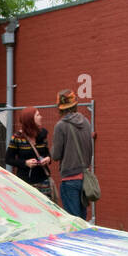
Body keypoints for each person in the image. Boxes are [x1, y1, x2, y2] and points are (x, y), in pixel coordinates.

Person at [49, 88, 93, 219]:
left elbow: (55, 155)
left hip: (69, 179)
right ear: (75, 105)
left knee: (73, 222)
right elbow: (90, 149)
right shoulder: (86, 122)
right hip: (84, 177)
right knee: (82, 220)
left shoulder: (61, 126)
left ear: (60, 108)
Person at [5, 108, 52, 199]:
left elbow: (47, 154)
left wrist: (48, 159)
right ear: (30, 120)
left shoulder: (43, 135)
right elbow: (8, 159)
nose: (41, 117)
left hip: (43, 182)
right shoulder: (17, 137)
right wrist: (25, 163)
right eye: (38, 115)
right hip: (25, 183)